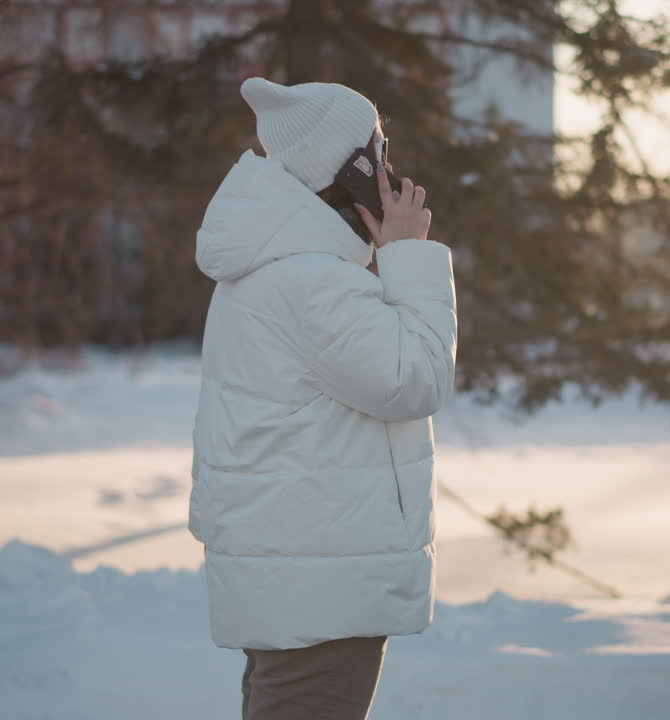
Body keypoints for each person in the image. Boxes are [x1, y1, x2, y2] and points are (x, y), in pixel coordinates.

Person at [188, 76, 457, 720]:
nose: (390, 169)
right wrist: (407, 257)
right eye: (379, 150)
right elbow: (413, 378)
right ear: (348, 165)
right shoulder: (309, 280)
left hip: (306, 576)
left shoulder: (291, 266)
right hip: (316, 587)